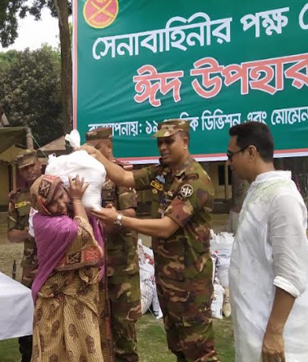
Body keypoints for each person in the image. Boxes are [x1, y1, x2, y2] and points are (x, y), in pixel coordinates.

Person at [84, 119, 220, 362]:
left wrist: (117, 219)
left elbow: (166, 227)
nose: (163, 147)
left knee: (200, 353)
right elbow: (125, 178)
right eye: (160, 142)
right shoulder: (163, 173)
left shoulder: (194, 180)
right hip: (168, 278)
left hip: (190, 283)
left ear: (185, 141)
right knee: (179, 348)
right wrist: (96, 154)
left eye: (169, 141)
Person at [226, 121, 308, 362]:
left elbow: (291, 273)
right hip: (256, 324)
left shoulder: (283, 198)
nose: (229, 162)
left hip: (282, 338)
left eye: (231, 155)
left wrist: (274, 332)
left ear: (251, 152)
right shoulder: (260, 190)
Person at [29, 174, 111, 362]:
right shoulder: (59, 227)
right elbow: (88, 240)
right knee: (54, 351)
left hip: (75, 299)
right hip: (55, 302)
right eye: (54, 201)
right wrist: (76, 200)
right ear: (42, 206)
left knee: (83, 349)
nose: (62, 202)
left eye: (62, 195)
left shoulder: (43, 219)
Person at [86, 127, 141, 362]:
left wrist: (112, 215)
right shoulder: (87, 175)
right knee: (97, 332)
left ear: (108, 147)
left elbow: (131, 212)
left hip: (121, 269)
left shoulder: (120, 174)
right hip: (95, 266)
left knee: (123, 333)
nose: (92, 155)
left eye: (96, 149)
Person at [7, 149, 43, 362]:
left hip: (56, 263)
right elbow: (11, 235)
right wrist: (29, 234)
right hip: (30, 265)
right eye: (24, 169)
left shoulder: (56, 188)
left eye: (32, 166)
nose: (29, 171)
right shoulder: (17, 197)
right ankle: (27, 357)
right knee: (27, 315)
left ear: (40, 164)